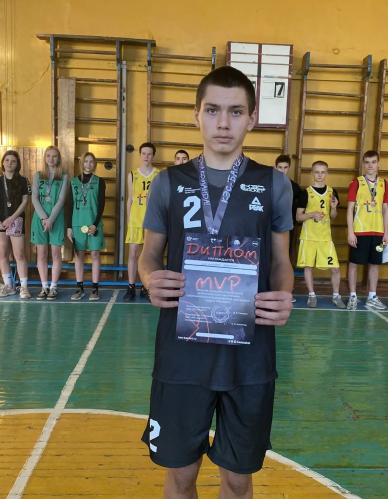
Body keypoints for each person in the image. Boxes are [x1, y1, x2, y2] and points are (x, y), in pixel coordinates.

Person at [138, 65, 294, 499]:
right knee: (181, 475)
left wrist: (285, 294)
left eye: (235, 111)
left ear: (252, 118)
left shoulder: (275, 184)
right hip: (182, 351)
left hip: (250, 353)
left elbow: (282, 261)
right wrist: (150, 279)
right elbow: (148, 255)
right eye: (212, 110)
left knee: (238, 479)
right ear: (197, 116)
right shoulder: (168, 183)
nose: (223, 123)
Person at [296, 160, 345, 309]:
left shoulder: (332, 192)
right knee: (308, 267)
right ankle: (312, 295)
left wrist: (334, 209)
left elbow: (333, 216)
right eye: (317, 172)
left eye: (323, 172)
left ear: (327, 173)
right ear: (312, 173)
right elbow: (298, 217)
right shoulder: (306, 193)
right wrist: (311, 214)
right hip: (309, 237)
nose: (319, 175)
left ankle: (336, 296)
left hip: (325, 237)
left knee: (335, 268)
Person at [346, 150, 388, 310]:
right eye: (367, 162)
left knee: (374, 265)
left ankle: (372, 296)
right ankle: (352, 296)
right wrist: (350, 232)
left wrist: (386, 232)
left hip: (378, 231)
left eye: (373, 162)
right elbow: (350, 209)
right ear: (363, 164)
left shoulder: (384, 183)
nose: (370, 165)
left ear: (378, 164)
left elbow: (385, 209)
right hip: (360, 231)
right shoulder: (356, 182)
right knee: (353, 264)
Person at [0, 150, 31, 299]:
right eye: (7, 160)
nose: (9, 163)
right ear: (3, 162)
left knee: (19, 254)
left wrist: (12, 218)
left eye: (13, 161)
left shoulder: (23, 180)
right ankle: (8, 286)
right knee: (3, 254)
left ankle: (24, 287)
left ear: (17, 164)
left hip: (16, 220)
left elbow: (25, 202)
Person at [30, 146, 69, 300]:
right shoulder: (38, 175)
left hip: (56, 218)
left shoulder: (63, 176)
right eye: (48, 156)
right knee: (41, 254)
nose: (51, 159)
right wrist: (44, 219)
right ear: (45, 158)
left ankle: (53, 287)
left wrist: (51, 219)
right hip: (40, 219)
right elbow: (34, 198)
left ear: (58, 159)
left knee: (56, 254)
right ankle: (44, 286)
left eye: (54, 156)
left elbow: (61, 199)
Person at [67, 152, 106, 301]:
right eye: (86, 161)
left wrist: (95, 224)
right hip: (77, 223)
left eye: (91, 162)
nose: (88, 164)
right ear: (81, 163)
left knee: (95, 254)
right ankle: (80, 287)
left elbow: (101, 204)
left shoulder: (99, 181)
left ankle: (95, 288)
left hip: (94, 223)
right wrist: (69, 227)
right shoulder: (73, 182)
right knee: (79, 255)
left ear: (94, 164)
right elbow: (70, 205)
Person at [124, 142, 159, 301]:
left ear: (153, 156)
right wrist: (129, 220)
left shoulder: (158, 174)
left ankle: (146, 286)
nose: (146, 156)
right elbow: (129, 199)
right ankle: (131, 286)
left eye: (149, 154)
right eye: (143, 153)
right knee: (133, 254)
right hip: (136, 220)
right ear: (139, 155)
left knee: (150, 255)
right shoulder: (132, 175)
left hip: (152, 221)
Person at [274, 154, 301, 254]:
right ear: (275, 167)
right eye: (280, 167)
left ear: (289, 168)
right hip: (270, 224)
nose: (282, 170)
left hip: (287, 225)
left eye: (285, 167)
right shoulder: (268, 184)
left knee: (285, 253)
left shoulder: (295, 187)